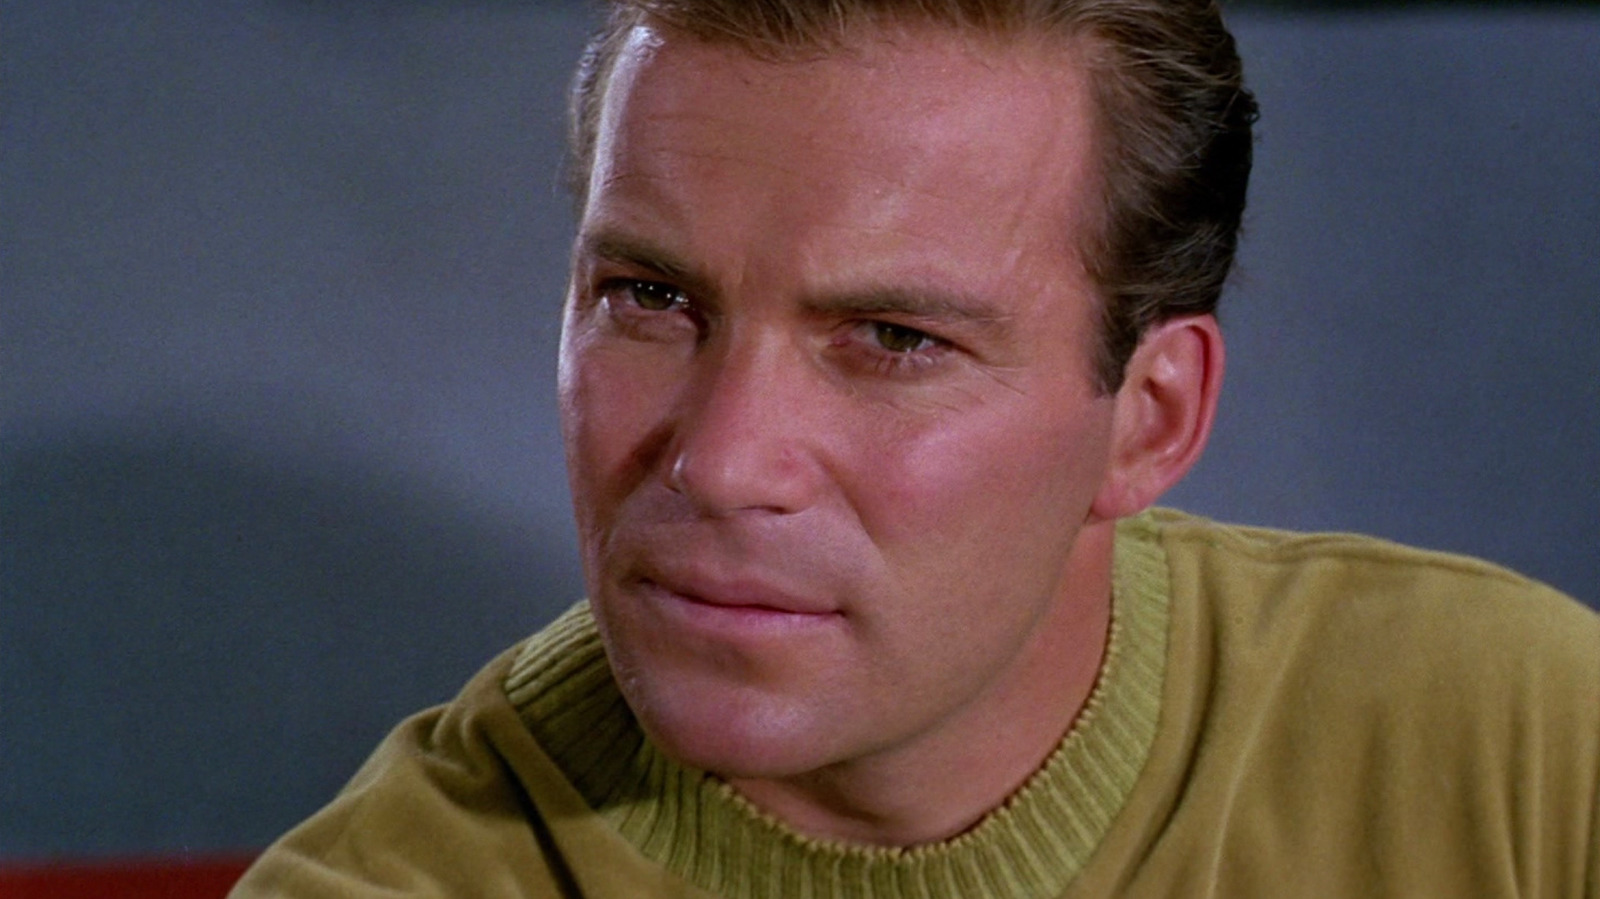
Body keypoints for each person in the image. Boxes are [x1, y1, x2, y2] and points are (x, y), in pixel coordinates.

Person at [230, 0, 1600, 896]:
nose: (722, 461)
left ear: (1150, 419)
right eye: (649, 297)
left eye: (893, 337)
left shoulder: (1525, 748)